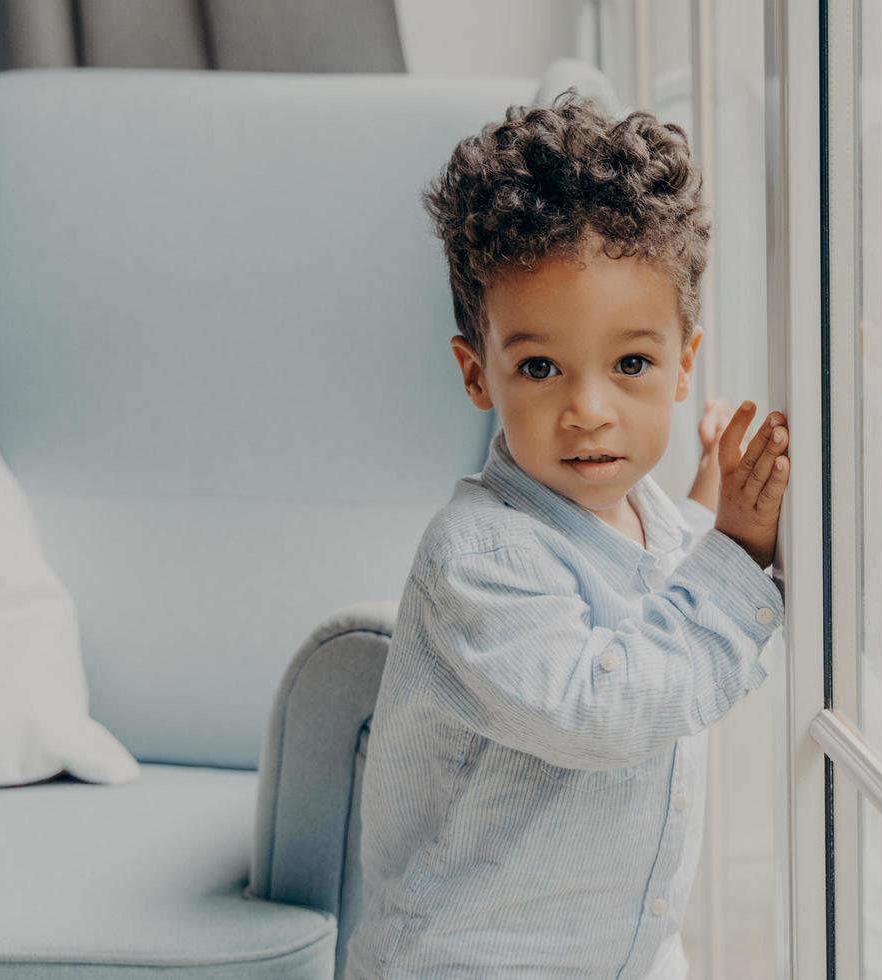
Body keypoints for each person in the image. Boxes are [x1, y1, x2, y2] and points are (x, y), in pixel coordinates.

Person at [343, 90, 792, 979]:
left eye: (631, 364)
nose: (588, 411)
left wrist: (710, 503)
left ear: (683, 368)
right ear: (478, 374)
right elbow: (604, 707)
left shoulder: (655, 518)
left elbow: (656, 579)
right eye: (541, 367)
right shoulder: (479, 555)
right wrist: (737, 558)